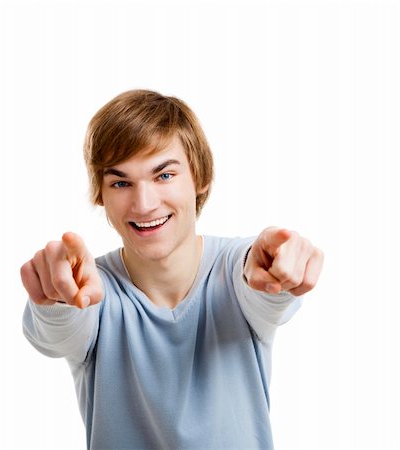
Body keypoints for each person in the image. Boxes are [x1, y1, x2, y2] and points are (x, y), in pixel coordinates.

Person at [21, 89, 324, 450]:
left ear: (200, 178)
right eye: (121, 182)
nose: (144, 203)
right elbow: (56, 332)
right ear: (101, 195)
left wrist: (278, 268)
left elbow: (259, 287)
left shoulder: (236, 268)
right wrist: (57, 299)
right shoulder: (92, 289)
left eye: (164, 176)